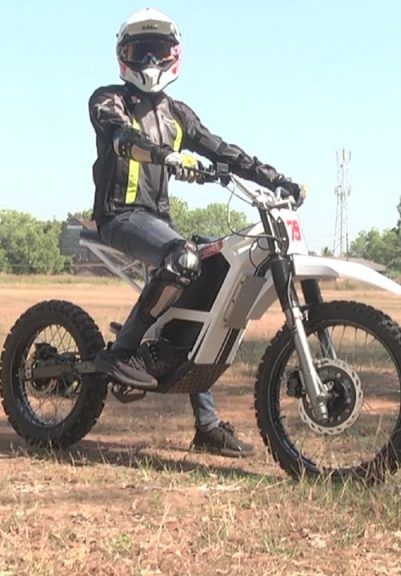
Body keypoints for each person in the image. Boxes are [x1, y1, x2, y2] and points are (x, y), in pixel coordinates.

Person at [88, 8, 305, 458]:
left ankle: (206, 425)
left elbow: (223, 150)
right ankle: (122, 353)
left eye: (158, 50)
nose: (149, 59)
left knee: (208, 268)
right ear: (123, 56)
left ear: (174, 55)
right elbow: (120, 139)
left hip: (158, 221)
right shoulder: (109, 100)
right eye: (139, 50)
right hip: (120, 216)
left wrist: (276, 179)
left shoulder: (178, 113)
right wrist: (166, 155)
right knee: (183, 257)